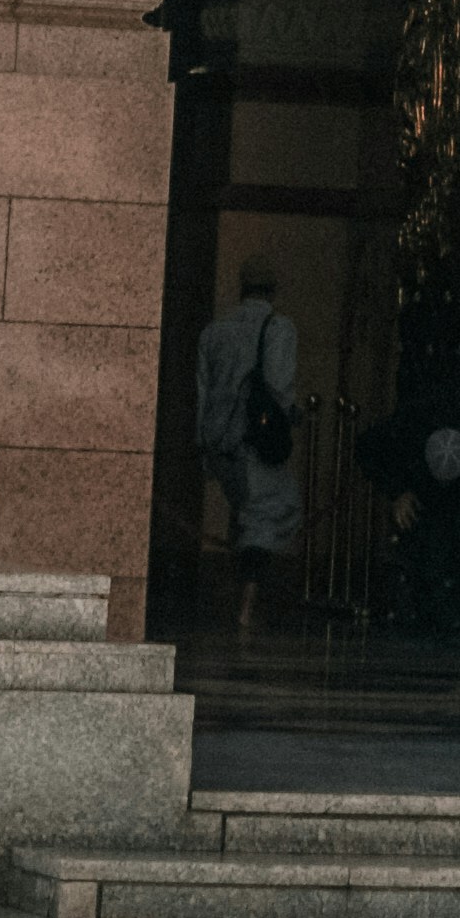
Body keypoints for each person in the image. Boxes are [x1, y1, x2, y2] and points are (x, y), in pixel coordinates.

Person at [356, 347, 460, 648]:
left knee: (423, 626)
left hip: (430, 531)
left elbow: (368, 447)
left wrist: (397, 490)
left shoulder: (419, 412)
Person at [192, 256, 301, 634]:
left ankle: (238, 593)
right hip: (254, 441)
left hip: (219, 444)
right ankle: (247, 607)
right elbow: (280, 388)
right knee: (272, 512)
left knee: (244, 513)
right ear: (272, 289)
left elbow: (202, 394)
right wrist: (292, 416)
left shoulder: (213, 333)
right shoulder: (279, 328)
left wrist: (203, 447)